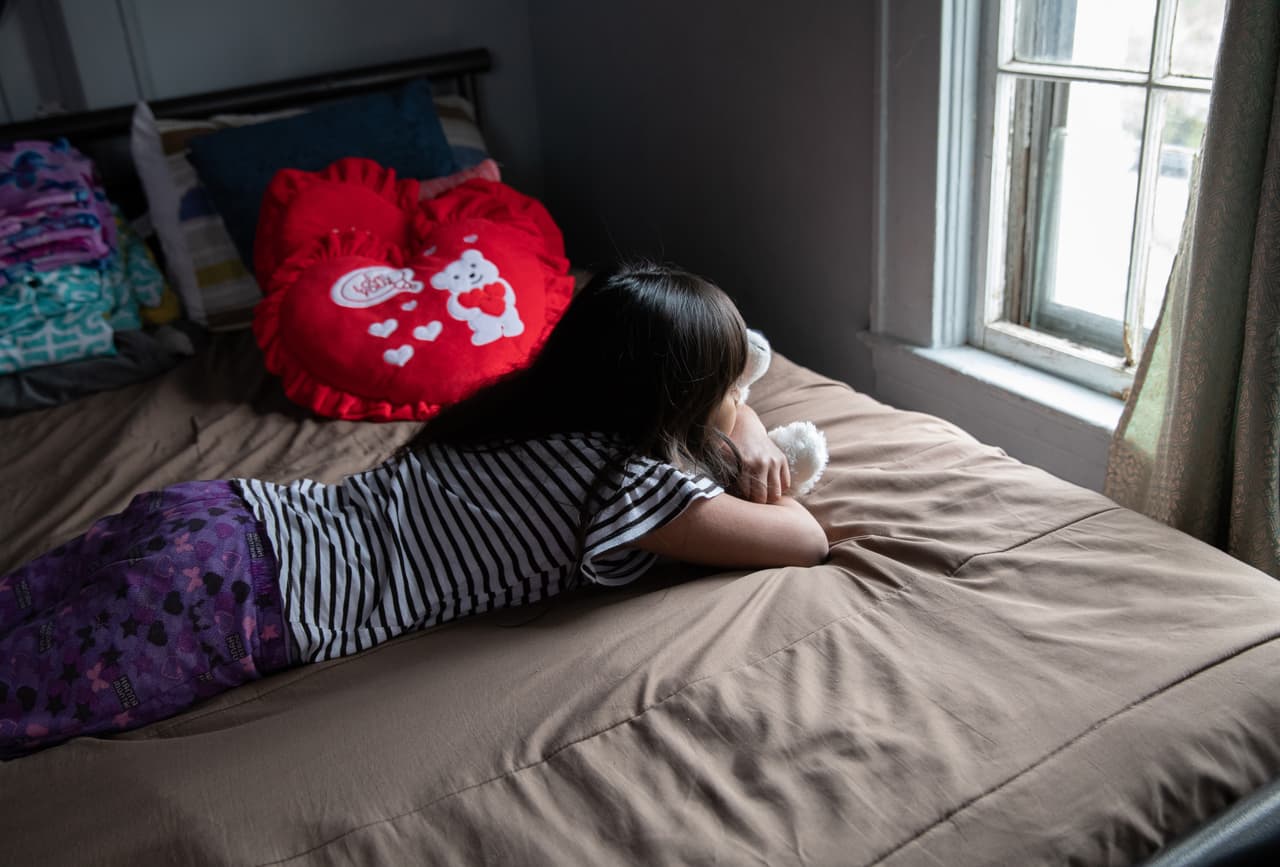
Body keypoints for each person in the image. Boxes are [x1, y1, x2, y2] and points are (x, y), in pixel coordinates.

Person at [0, 261, 827, 758]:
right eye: (726, 384)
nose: (740, 396)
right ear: (682, 398)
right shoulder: (633, 486)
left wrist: (728, 406)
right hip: (232, 599)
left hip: (218, 514)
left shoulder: (520, 407)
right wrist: (741, 427)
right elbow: (805, 538)